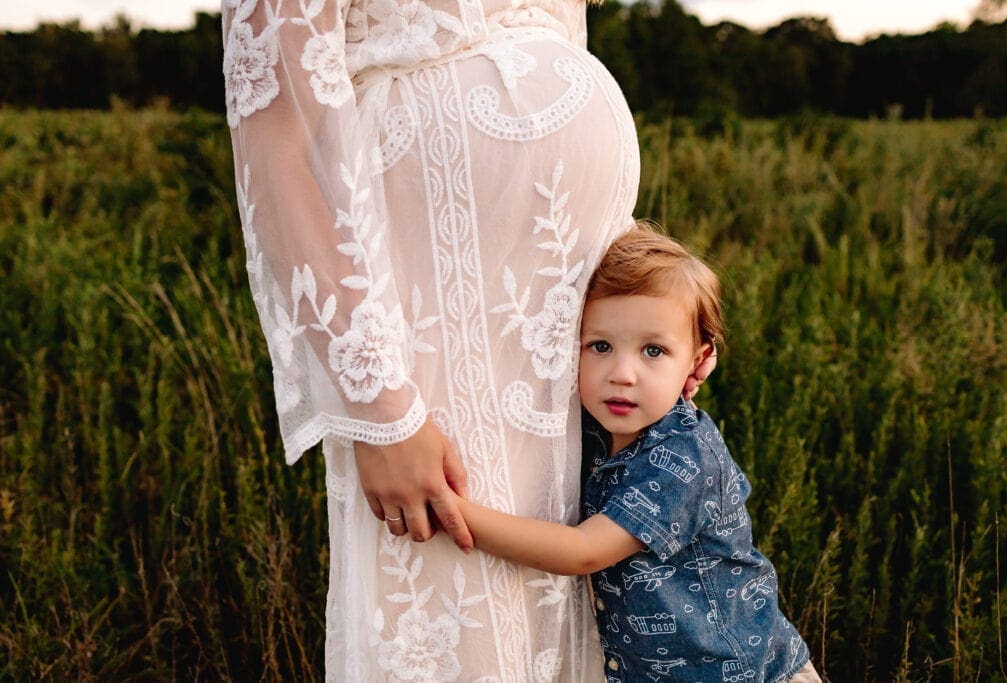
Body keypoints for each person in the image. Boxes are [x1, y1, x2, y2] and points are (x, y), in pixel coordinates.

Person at [221, 0, 714, 678]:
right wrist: (378, 409)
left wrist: (660, 334)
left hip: (561, 363)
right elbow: (278, 134)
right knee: (454, 603)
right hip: (428, 346)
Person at [447, 226, 822, 682]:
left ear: (698, 360)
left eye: (654, 351)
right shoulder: (591, 427)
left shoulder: (682, 457)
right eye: (600, 346)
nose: (622, 374)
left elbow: (582, 552)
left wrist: (456, 512)